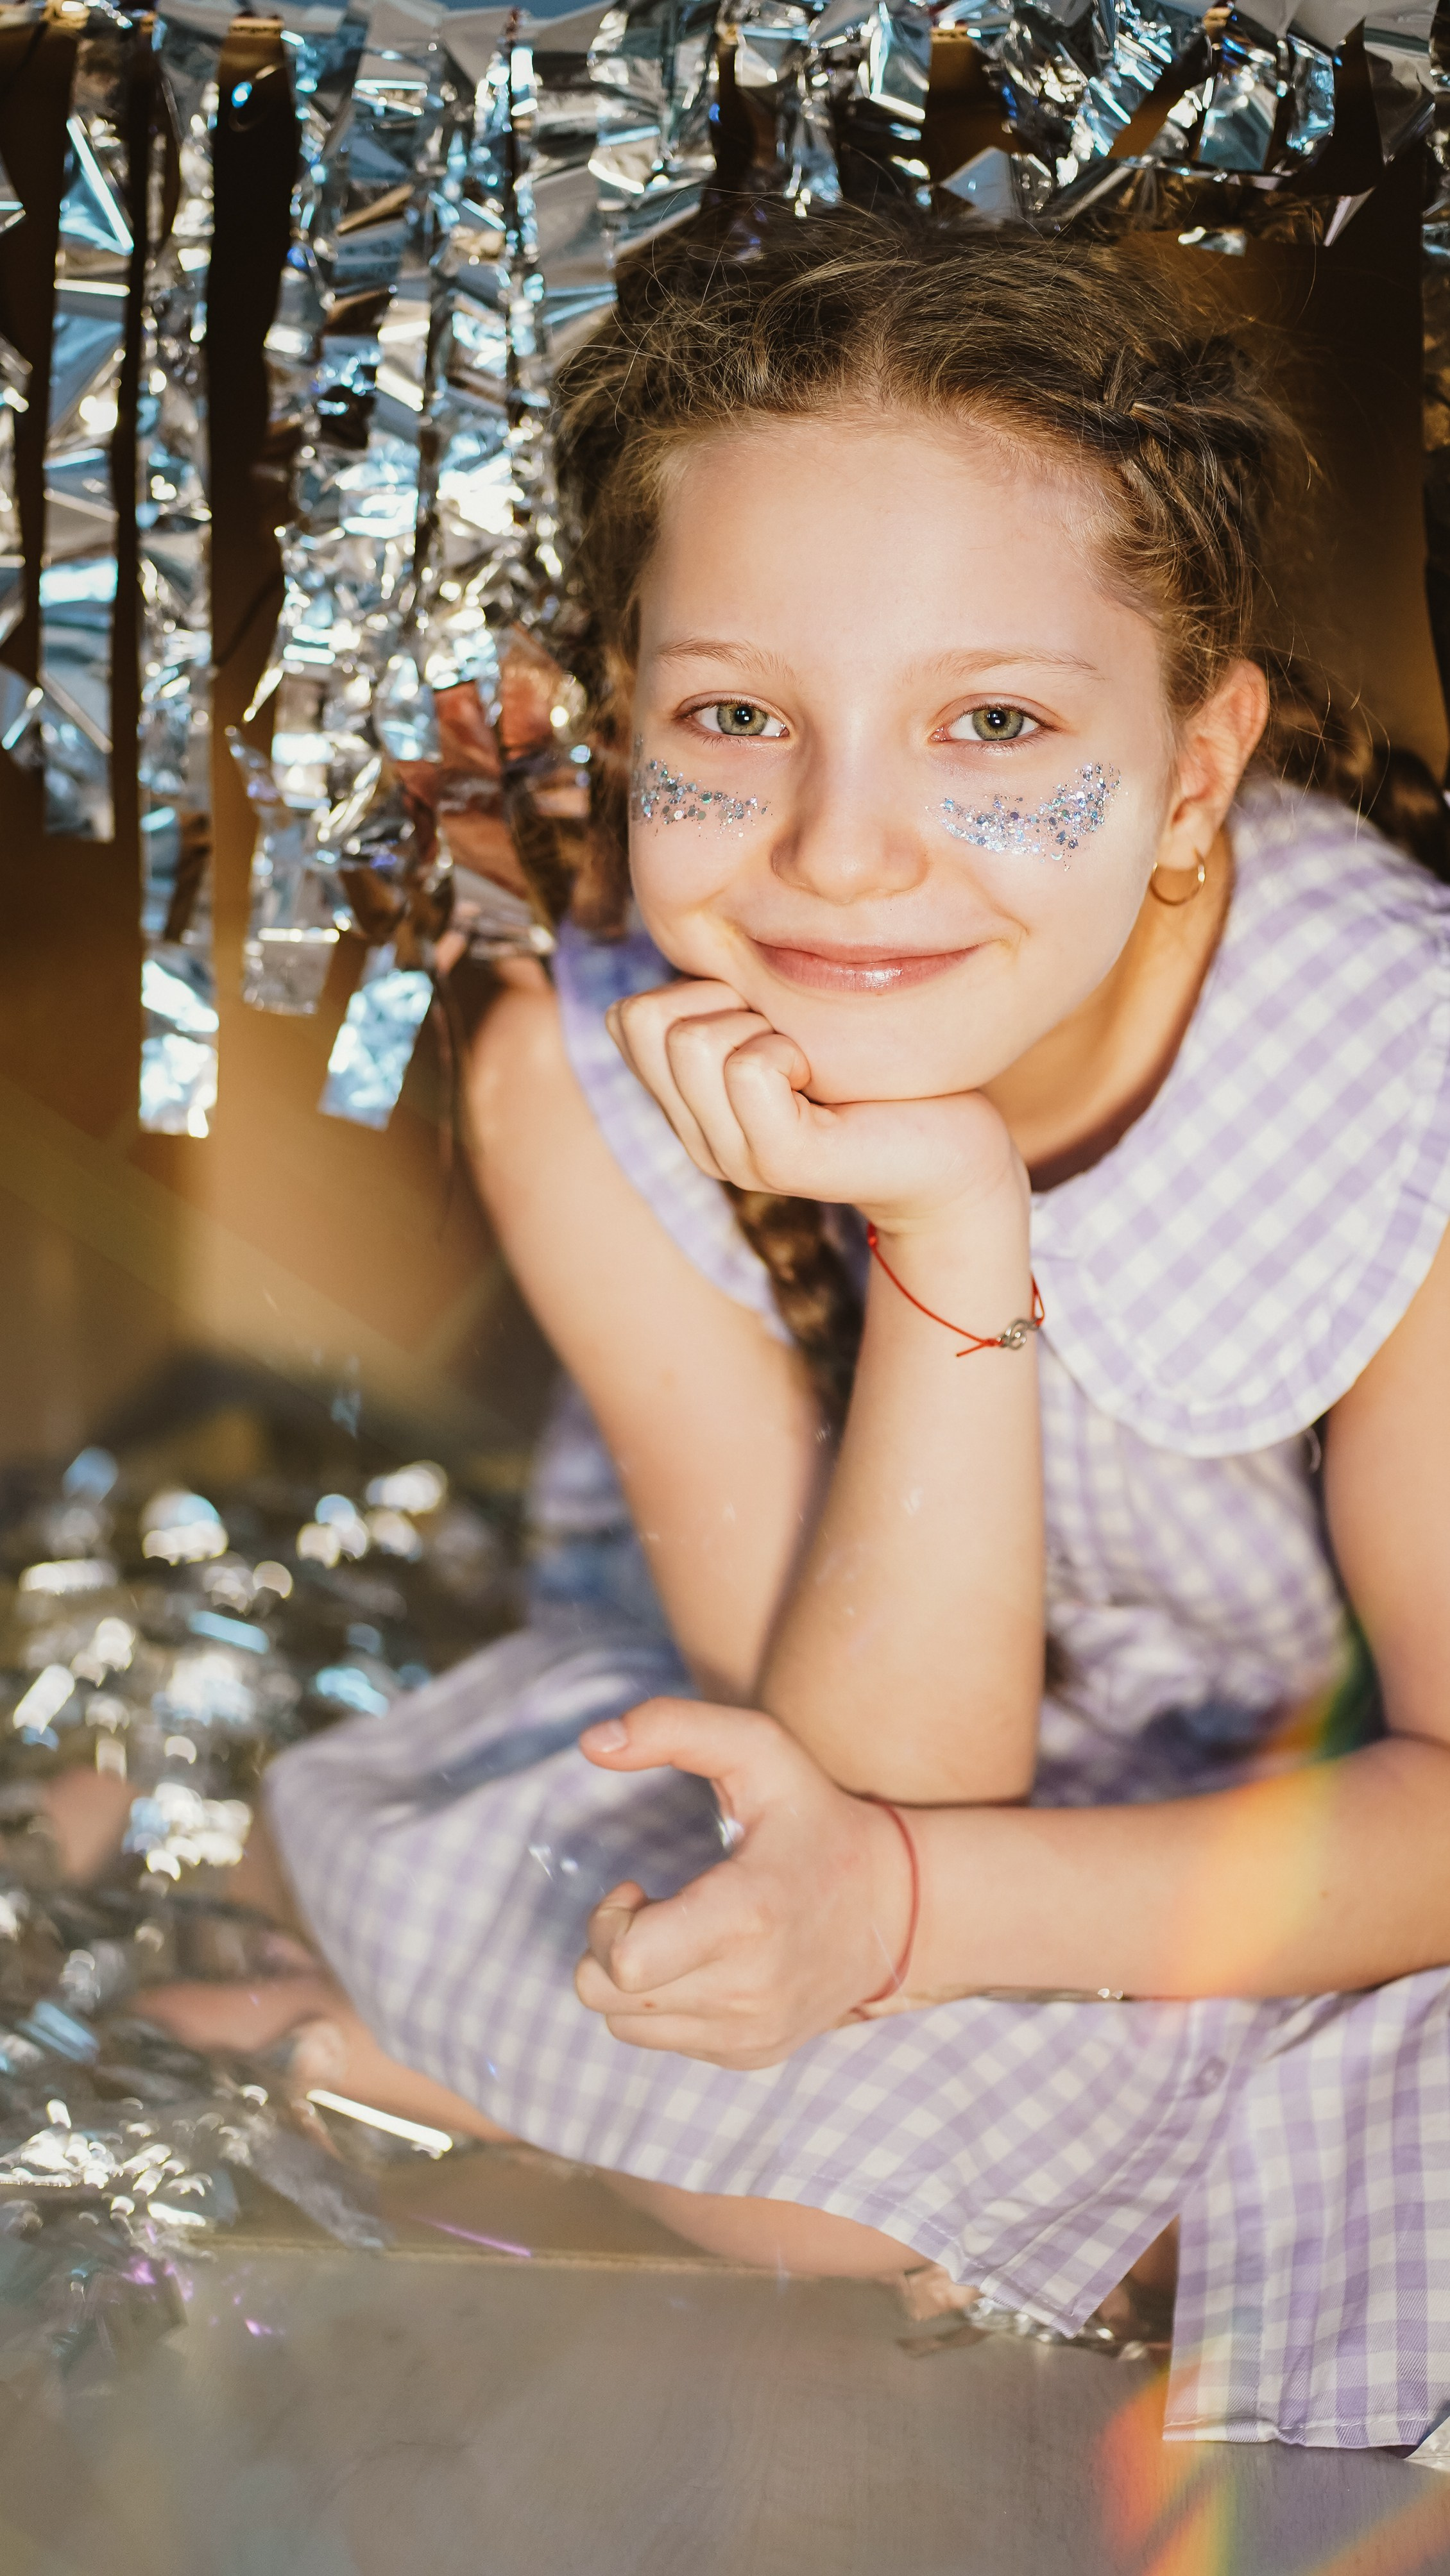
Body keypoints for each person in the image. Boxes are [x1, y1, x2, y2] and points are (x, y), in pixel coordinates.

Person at [115, 210, 1450, 2451]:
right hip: (884, 1756)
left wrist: (913, 1907)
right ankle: (358, 1938)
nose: (841, 853)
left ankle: (440, 2063)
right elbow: (842, 1787)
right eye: (735, 718)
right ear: (624, 717)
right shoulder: (581, 1073)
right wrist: (948, 1238)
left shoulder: (1399, 1089)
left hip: (1329, 1830)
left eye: (994, 723)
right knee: (828, 2139)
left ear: (1196, 769)